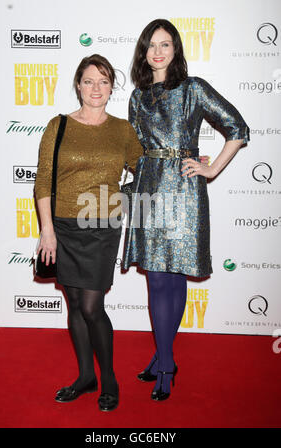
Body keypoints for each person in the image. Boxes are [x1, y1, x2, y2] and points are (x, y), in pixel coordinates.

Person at [123, 19, 250, 401]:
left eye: (166, 44)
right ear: (143, 52)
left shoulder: (192, 89)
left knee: (173, 278)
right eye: (151, 45)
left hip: (182, 190)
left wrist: (210, 168)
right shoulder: (136, 97)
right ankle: (165, 356)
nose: (158, 52)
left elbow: (237, 128)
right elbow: (133, 152)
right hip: (149, 189)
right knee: (158, 280)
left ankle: (164, 364)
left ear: (176, 50)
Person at [34, 54, 143, 411]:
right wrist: (47, 231)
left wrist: (186, 160)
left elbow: (144, 170)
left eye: (104, 81)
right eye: (89, 80)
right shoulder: (59, 125)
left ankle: (108, 378)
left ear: (112, 87)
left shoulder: (123, 129)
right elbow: (43, 182)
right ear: (78, 85)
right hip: (64, 225)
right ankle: (85, 376)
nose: (96, 88)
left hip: (102, 225)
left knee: (93, 306)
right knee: (76, 303)